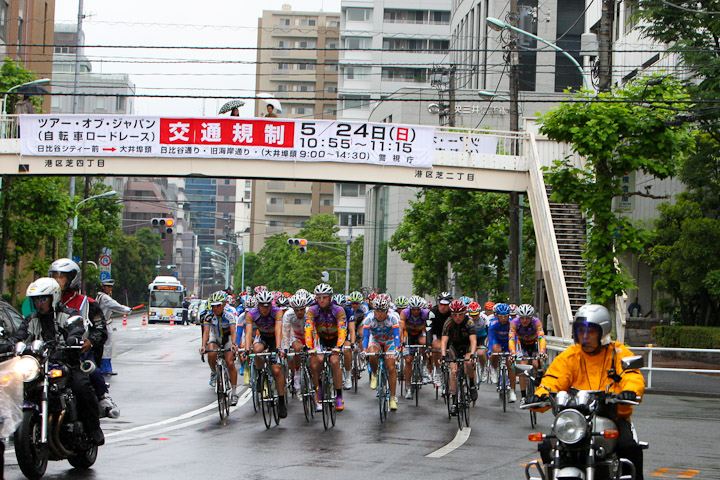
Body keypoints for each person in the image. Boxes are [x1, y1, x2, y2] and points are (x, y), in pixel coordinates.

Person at [529, 304, 646, 480]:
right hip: (576, 418)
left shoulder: (619, 353)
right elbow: (554, 378)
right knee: (547, 445)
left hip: (612, 416)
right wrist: (541, 394)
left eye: (590, 331)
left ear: (603, 332)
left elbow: (632, 376)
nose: (585, 336)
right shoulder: (571, 355)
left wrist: (629, 392)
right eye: (580, 331)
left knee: (628, 445)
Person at [12, 278, 105, 446]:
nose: (39, 304)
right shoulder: (30, 320)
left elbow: (77, 326)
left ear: (53, 298)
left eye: (43, 299)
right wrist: (9, 344)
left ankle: (93, 428)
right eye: (36, 300)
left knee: (81, 386)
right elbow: (19, 336)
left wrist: (73, 337)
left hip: (66, 362)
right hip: (39, 365)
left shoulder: (68, 314)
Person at [48, 258, 118, 418]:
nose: (58, 281)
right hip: (51, 354)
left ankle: (102, 400)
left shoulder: (88, 303)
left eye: (62, 277)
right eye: (55, 276)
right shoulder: (45, 302)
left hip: (78, 355)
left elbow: (100, 329)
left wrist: (90, 341)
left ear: (72, 279)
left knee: (90, 375)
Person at [242, 290, 287, 418]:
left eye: (268, 305)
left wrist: (278, 348)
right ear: (258, 305)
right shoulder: (252, 314)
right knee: (256, 349)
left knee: (277, 370)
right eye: (262, 305)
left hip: (276, 338)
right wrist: (246, 349)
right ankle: (260, 373)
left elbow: (279, 330)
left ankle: (282, 402)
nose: (265, 308)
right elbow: (249, 333)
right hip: (262, 337)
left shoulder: (276, 312)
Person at [304, 283, 347, 412]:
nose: (321, 300)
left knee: (334, 362)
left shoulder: (338, 310)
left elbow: (342, 330)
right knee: (318, 361)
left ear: (330, 298)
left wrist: (338, 346)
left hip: (335, 340)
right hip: (321, 339)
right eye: (319, 297)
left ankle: (339, 395)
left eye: (324, 297)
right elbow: (308, 329)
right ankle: (319, 389)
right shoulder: (312, 310)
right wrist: (310, 347)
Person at [200, 291, 240, 406]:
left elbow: (233, 331)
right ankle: (214, 372)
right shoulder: (208, 316)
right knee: (211, 352)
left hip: (227, 338)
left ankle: (234, 392)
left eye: (218, 306)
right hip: (215, 337)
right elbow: (206, 333)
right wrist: (203, 346)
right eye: (213, 306)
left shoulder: (229, 315)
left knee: (230, 362)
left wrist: (234, 344)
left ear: (223, 305)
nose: (216, 308)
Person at [362, 295, 401, 411]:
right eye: (377, 311)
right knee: (372, 354)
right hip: (376, 340)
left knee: (391, 367)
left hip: (389, 341)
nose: (379, 314)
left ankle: (393, 398)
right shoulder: (368, 319)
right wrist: (364, 350)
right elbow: (365, 337)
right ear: (373, 310)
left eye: (382, 311)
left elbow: (397, 336)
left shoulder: (393, 318)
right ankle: (374, 374)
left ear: (386, 310)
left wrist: (398, 349)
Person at [440, 299, 478, 414]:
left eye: (460, 314)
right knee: (454, 371)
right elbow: (444, 341)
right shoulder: (448, 322)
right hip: (454, 347)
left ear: (464, 312)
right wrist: (442, 355)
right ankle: (454, 401)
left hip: (466, 346)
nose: (457, 317)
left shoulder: (469, 322)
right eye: (455, 315)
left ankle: (471, 385)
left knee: (468, 362)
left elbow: (473, 340)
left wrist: (472, 354)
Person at [508, 304, 546, 404]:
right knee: (522, 367)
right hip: (522, 345)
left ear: (531, 317)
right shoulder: (514, 322)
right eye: (522, 318)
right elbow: (511, 339)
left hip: (534, 344)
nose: (525, 321)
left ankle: (541, 389)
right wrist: (513, 353)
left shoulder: (536, 322)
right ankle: (524, 396)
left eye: (527, 318)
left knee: (537, 363)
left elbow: (541, 338)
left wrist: (542, 352)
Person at [95, 278, 132, 376]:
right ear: (103, 287)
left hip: (102, 324)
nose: (109, 288)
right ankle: (105, 369)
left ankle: (105, 368)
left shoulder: (99, 296)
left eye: (110, 287)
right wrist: (127, 310)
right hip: (105, 324)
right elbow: (115, 306)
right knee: (107, 347)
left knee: (106, 346)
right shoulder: (105, 298)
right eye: (107, 286)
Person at [400, 295, 431, 399]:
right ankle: (408, 387)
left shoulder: (426, 314)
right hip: (408, 335)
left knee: (424, 342)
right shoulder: (405, 313)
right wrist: (401, 341)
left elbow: (428, 329)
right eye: (414, 309)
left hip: (420, 333)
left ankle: (425, 365)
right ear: (410, 308)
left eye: (418, 309)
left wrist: (429, 344)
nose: (416, 311)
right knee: (408, 361)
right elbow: (401, 328)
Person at [487, 302, 516, 402]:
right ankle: (494, 368)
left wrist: (514, 352)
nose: (503, 318)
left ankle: (512, 391)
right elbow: (491, 339)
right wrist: (490, 351)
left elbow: (514, 339)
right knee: (496, 350)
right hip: (497, 343)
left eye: (505, 316)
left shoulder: (512, 324)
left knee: (510, 363)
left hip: (508, 344)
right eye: (501, 316)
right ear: (496, 316)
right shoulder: (493, 324)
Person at [282, 293, 308, 393]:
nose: (300, 312)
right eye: (297, 310)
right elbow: (286, 332)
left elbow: (314, 330)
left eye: (302, 309)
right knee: (297, 348)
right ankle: (297, 373)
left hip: (308, 335)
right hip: (296, 336)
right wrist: (285, 347)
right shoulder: (288, 314)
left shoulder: (310, 312)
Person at [427, 292, 453, 385]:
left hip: (450, 334)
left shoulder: (453, 312)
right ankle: (438, 370)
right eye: (441, 304)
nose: (443, 307)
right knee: (437, 347)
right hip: (437, 334)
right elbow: (428, 330)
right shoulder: (433, 312)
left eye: (446, 305)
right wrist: (429, 346)